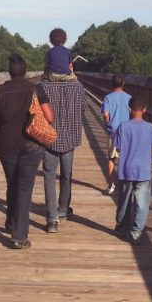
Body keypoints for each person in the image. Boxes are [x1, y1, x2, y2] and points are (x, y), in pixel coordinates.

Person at [0, 54, 54, 249]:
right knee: (24, 188)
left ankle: (11, 222)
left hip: (7, 146)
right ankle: (19, 236)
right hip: (31, 146)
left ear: (9, 72)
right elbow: (49, 117)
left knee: (12, 184)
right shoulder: (35, 89)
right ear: (25, 71)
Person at [39, 75, 85, 233]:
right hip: (69, 137)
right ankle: (63, 209)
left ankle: (52, 219)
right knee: (66, 175)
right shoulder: (78, 86)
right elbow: (82, 109)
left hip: (49, 137)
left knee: (49, 176)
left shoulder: (43, 86)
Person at [113, 96, 152, 244]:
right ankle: (136, 233)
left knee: (124, 201)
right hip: (143, 171)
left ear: (129, 109)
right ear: (145, 109)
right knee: (142, 204)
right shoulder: (150, 127)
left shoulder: (123, 126)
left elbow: (118, 147)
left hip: (126, 170)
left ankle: (122, 227)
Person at [100, 74, 132, 194]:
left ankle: (111, 186)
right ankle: (125, 184)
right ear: (123, 83)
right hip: (126, 131)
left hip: (113, 131)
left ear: (112, 84)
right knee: (126, 158)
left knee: (111, 158)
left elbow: (105, 114)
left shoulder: (108, 98)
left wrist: (107, 123)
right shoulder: (129, 97)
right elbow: (132, 112)